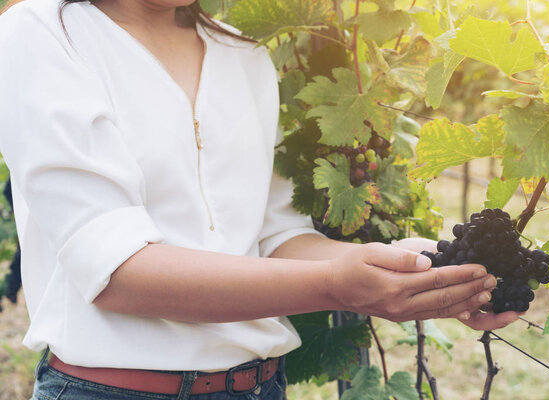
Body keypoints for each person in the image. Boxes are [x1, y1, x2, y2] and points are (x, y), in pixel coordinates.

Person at [0, 0, 519, 399]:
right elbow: (116, 272)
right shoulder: (42, 34)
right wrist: (337, 287)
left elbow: (276, 236)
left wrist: (418, 266)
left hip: (261, 387)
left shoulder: (242, 53)